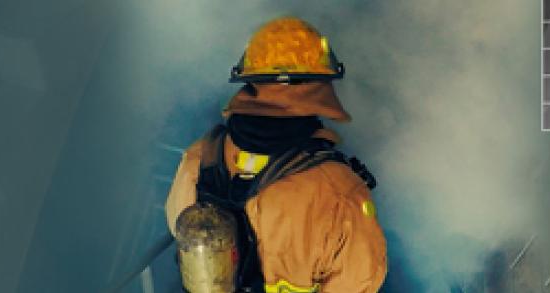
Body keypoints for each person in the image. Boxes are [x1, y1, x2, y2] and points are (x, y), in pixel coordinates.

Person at [165, 16, 387, 293]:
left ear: (249, 80)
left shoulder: (197, 158)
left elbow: (179, 228)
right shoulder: (340, 192)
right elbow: (361, 282)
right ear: (321, 86)